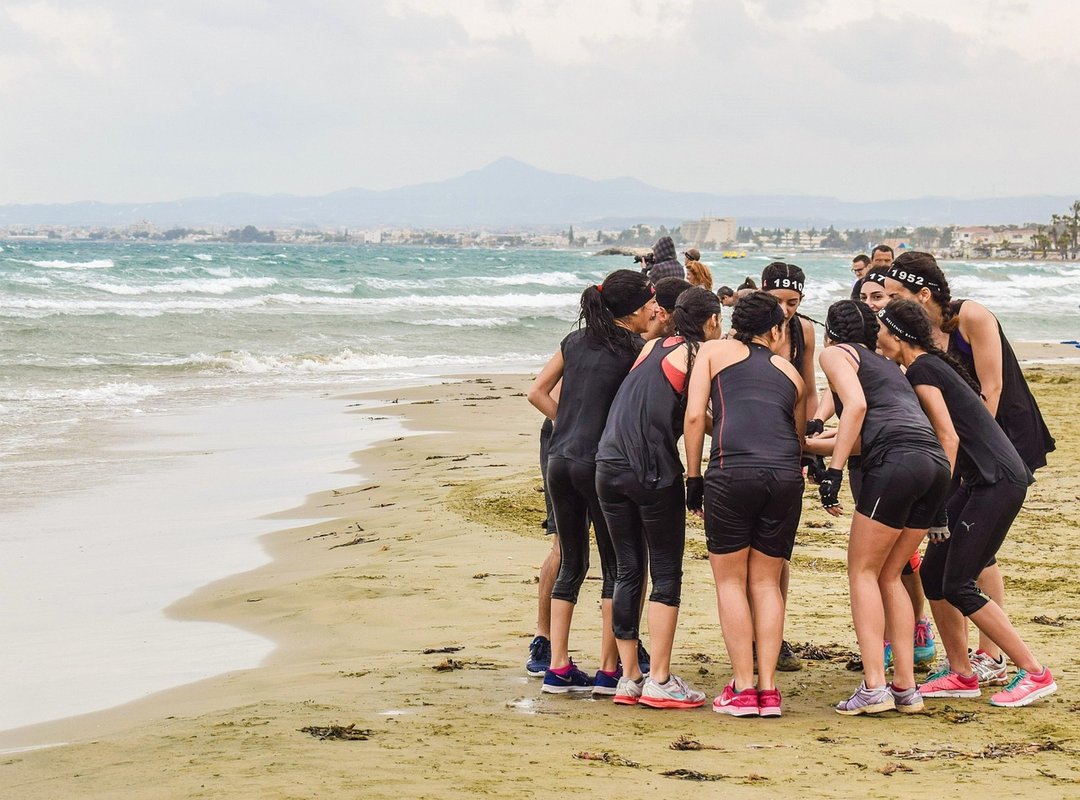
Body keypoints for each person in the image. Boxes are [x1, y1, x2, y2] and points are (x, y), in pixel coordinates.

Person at [876, 300, 1056, 707]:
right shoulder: (925, 365)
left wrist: (936, 505)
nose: (876, 336)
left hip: (998, 482)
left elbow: (949, 439)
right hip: (980, 480)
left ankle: (1035, 672)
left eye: (880, 329)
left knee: (957, 583)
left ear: (897, 335)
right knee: (937, 575)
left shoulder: (922, 369)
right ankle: (961, 674)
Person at [817, 299, 951, 715]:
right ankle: (906, 689)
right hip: (934, 465)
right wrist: (812, 442)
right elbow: (873, 423)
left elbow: (855, 407)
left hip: (896, 464)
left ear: (829, 332)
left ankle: (874, 687)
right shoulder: (888, 368)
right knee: (890, 575)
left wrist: (833, 472)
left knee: (863, 572)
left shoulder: (836, 352)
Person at [528, 269, 658, 694]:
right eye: (650, 304)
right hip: (599, 464)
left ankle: (559, 667)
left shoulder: (575, 341)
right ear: (636, 310)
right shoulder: (636, 349)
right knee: (617, 567)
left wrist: (566, 423)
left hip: (560, 460)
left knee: (571, 562)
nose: (654, 310)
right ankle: (608, 669)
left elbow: (537, 392)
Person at [597, 286, 723, 709]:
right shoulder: (697, 354)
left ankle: (630, 678)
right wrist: (694, 476)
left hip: (607, 466)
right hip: (650, 470)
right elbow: (693, 416)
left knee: (629, 570)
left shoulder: (650, 347)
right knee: (667, 572)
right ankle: (662, 679)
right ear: (712, 322)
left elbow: (665, 405)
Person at [684, 292, 806, 718]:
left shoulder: (714, 351)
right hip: (785, 478)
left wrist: (693, 476)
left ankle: (742, 686)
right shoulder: (792, 373)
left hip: (731, 472)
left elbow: (696, 415)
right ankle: (768, 691)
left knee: (731, 583)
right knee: (767, 583)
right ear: (774, 329)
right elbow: (797, 436)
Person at [760, 261, 818, 672]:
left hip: (788, 444)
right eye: (777, 301)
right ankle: (752, 634)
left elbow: (810, 389)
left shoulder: (805, 331)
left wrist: (807, 446)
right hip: (750, 442)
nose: (785, 310)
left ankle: (774, 637)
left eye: (793, 302)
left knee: (778, 553)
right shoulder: (746, 328)